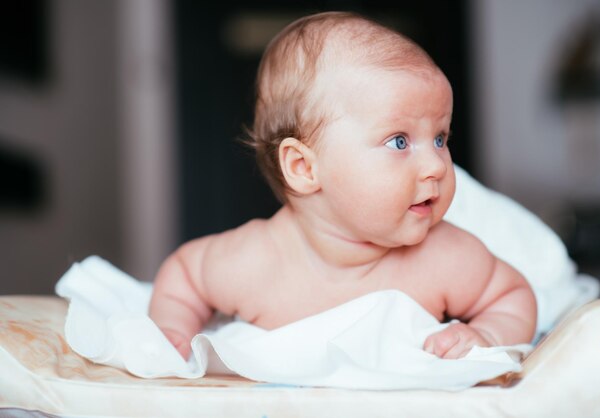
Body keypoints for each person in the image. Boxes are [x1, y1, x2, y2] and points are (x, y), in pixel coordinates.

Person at [149, 11, 537, 361]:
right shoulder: (254, 262)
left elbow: (512, 297)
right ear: (303, 167)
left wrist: (486, 333)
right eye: (399, 141)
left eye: (440, 138)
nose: (437, 164)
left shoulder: (445, 258)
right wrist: (174, 330)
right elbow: (184, 276)